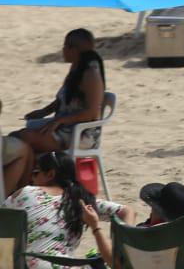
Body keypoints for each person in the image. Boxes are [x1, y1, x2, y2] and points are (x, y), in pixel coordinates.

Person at [4, 151, 130, 269]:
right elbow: (126, 211)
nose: (31, 179)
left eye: (35, 173)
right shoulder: (80, 200)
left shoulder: (23, 194)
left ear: (50, 174)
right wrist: (121, 235)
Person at [5, 29, 107, 190]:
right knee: (16, 137)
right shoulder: (77, 68)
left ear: (74, 49)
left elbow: (92, 113)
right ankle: (23, 187)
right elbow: (63, 100)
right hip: (64, 127)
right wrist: (44, 112)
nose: (63, 50)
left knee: (24, 139)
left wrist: (60, 120)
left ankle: (22, 189)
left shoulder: (90, 74)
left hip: (79, 134)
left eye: (65, 46)